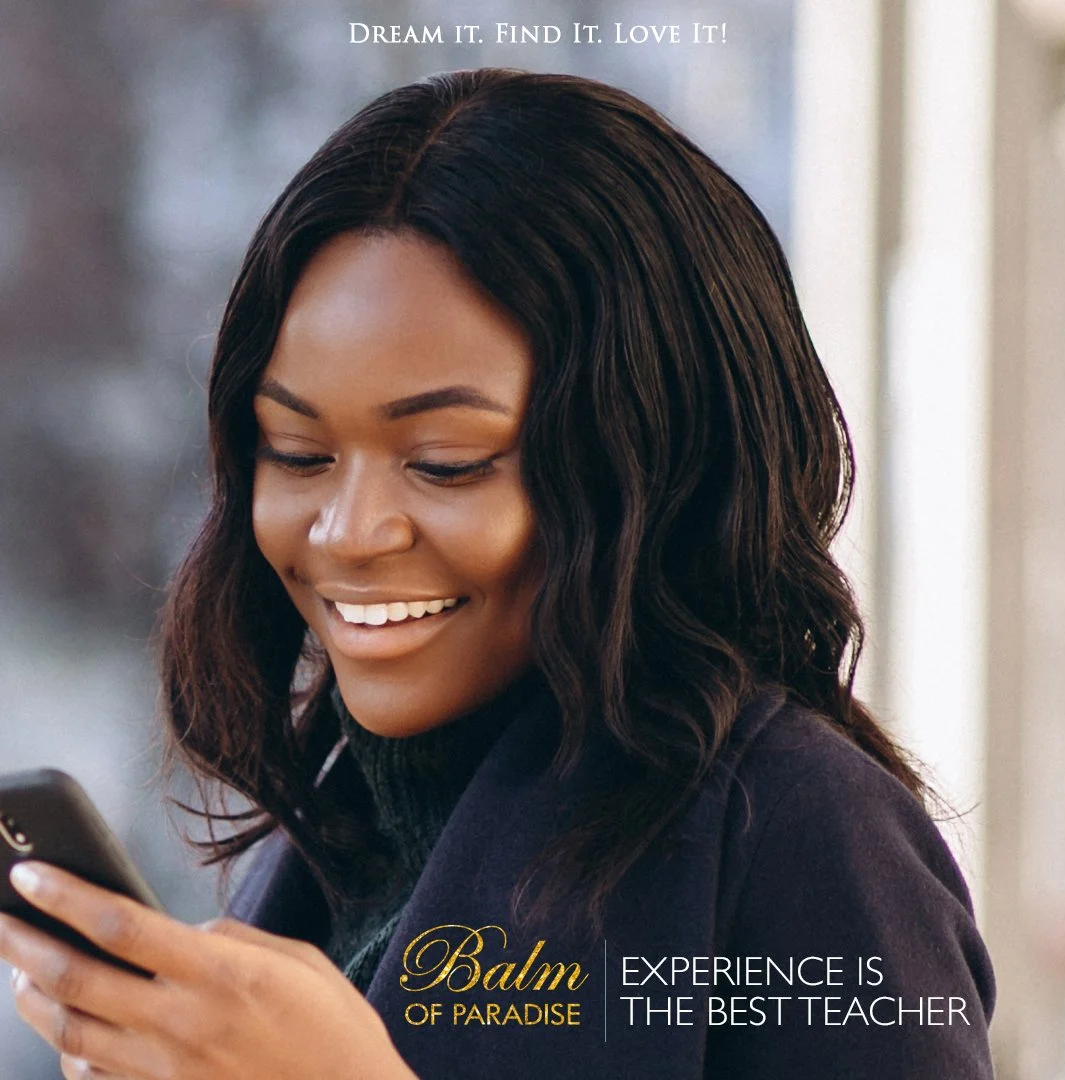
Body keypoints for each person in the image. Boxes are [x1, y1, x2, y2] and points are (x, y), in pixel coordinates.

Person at [0, 68, 994, 1079]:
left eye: (445, 463)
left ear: (657, 462)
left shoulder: (802, 832)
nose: (348, 532)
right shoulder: (335, 844)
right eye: (298, 455)